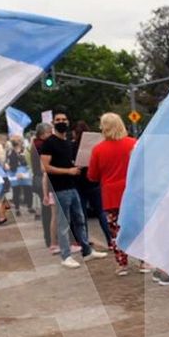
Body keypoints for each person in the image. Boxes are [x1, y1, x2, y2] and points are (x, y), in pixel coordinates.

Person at [41, 111, 104, 268]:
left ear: (68, 122)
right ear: (53, 123)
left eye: (64, 119)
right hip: (60, 188)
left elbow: (67, 163)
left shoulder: (68, 143)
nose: (61, 122)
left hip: (72, 186)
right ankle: (66, 255)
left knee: (80, 220)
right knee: (64, 224)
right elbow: (45, 167)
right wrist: (68, 171)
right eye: (58, 120)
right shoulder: (49, 143)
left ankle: (87, 250)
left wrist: (76, 166)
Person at [87, 113, 140, 275]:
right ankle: (144, 262)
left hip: (111, 196)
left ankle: (122, 264)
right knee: (138, 228)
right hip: (133, 193)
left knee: (117, 231)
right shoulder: (133, 144)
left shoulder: (98, 149)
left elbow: (92, 176)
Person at [73, 119, 112, 252]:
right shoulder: (95, 146)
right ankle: (110, 240)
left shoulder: (73, 147)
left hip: (78, 183)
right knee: (101, 212)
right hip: (94, 182)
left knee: (81, 214)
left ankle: (85, 241)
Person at [30, 122, 56, 251]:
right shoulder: (41, 146)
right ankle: (50, 239)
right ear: (42, 134)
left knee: (48, 211)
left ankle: (50, 238)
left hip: (38, 179)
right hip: (43, 180)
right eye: (49, 133)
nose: (51, 135)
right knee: (49, 212)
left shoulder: (35, 144)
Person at [6, 138, 34, 216]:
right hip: (14, 172)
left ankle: (30, 207)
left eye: (18, 141)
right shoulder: (9, 152)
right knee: (16, 191)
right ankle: (17, 209)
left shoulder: (25, 151)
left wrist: (25, 173)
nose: (17, 142)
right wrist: (7, 166)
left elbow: (29, 161)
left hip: (25, 171)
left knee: (28, 190)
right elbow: (6, 162)